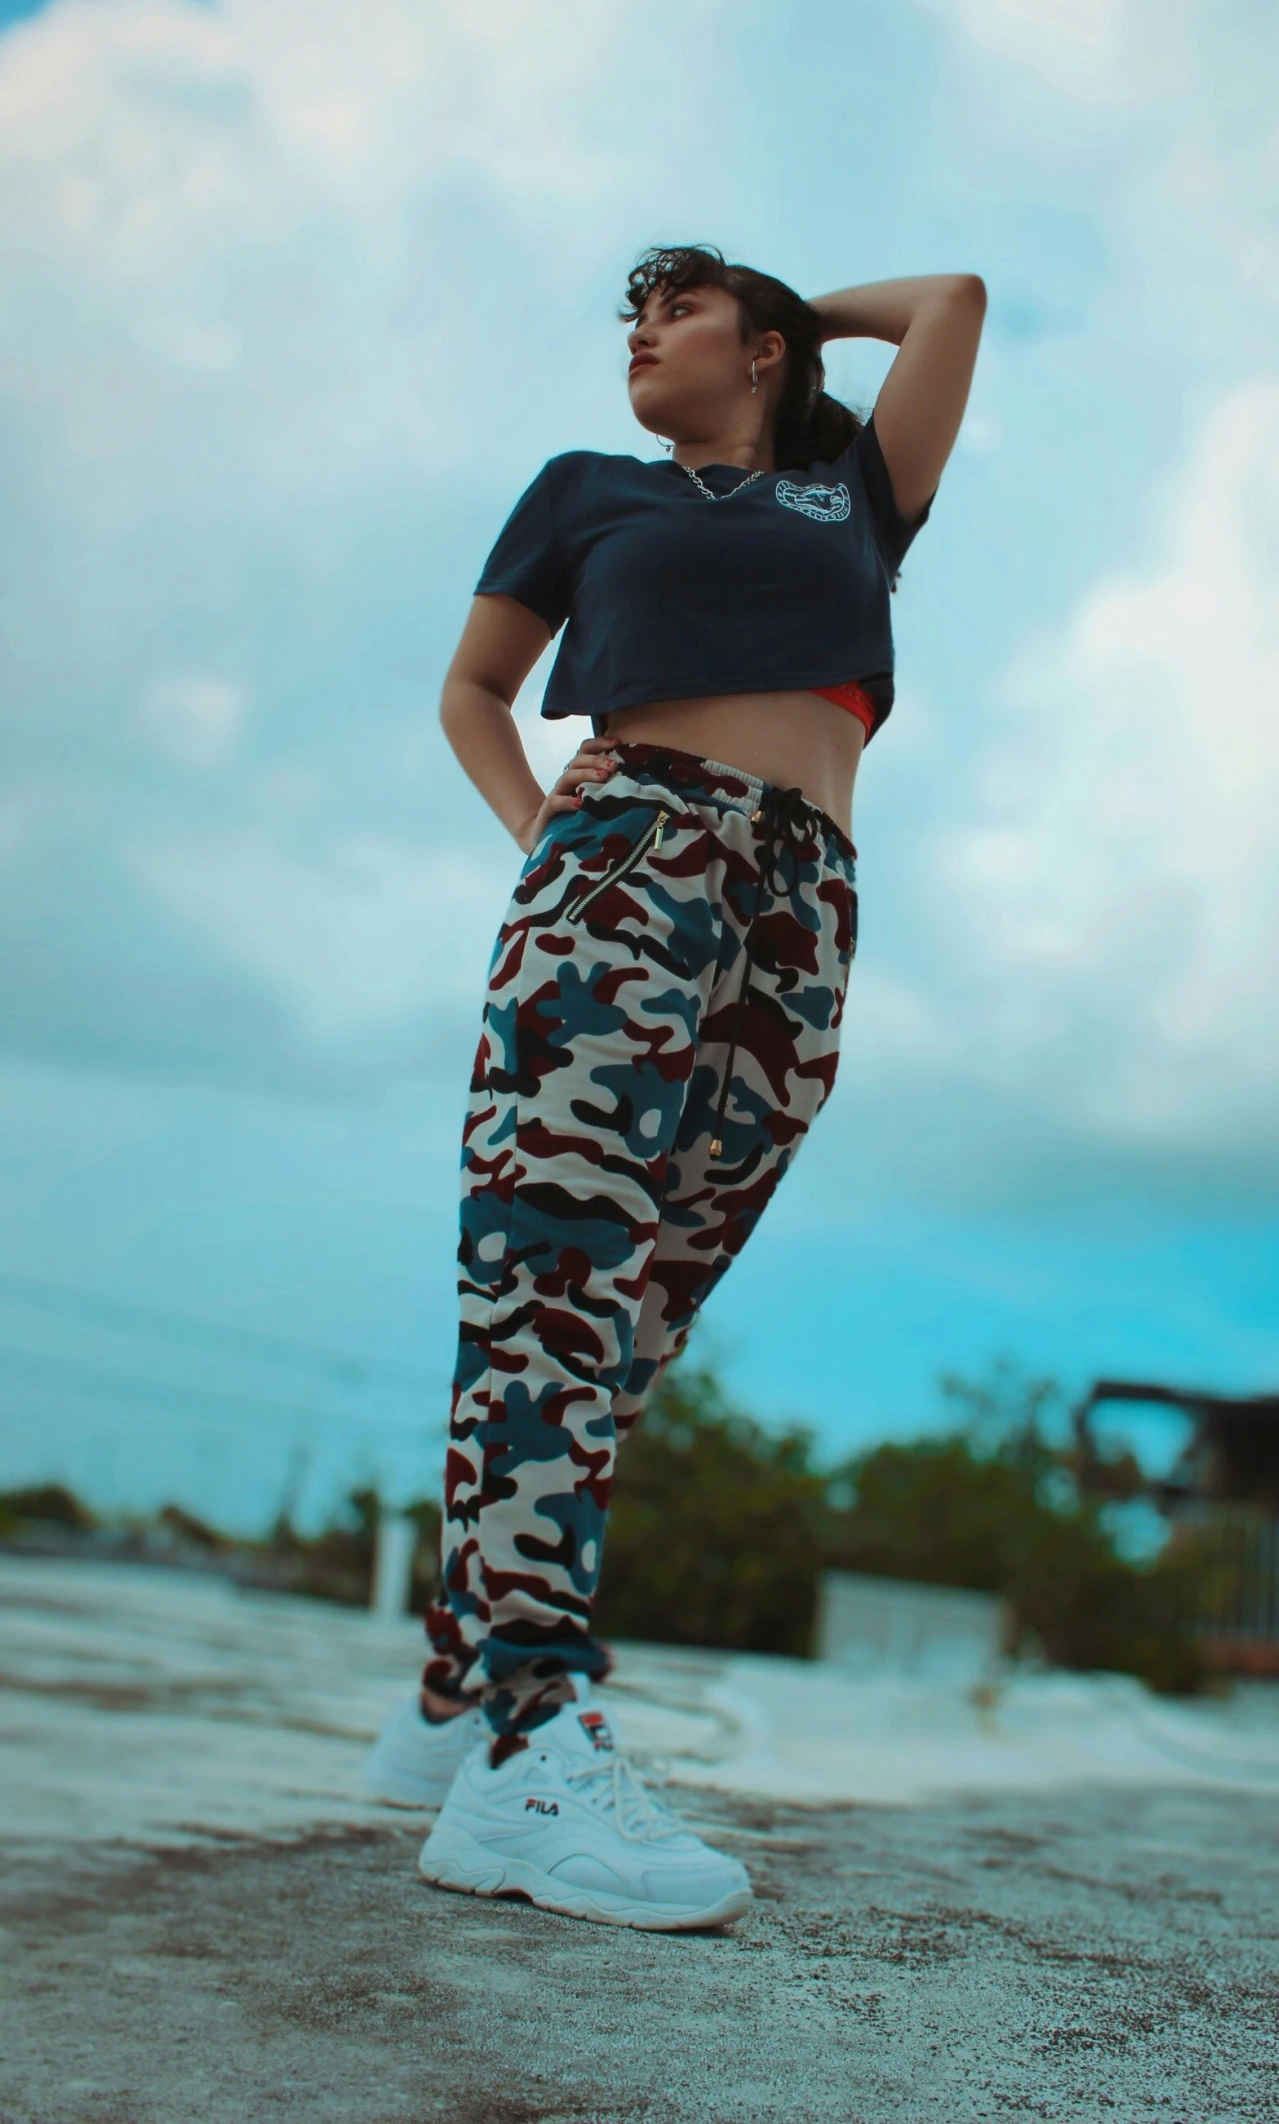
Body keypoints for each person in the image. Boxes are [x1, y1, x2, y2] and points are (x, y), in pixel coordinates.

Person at [363, 244, 985, 1930]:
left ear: (763, 345)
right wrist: (547, 842)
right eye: (632, 314)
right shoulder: (585, 492)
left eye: (678, 307)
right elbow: (473, 692)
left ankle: (452, 1679)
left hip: (803, 905)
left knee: (635, 1314)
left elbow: (955, 303)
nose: (638, 332)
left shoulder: (854, 495)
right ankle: (523, 1740)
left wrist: (786, 313)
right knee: (552, 1280)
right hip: (627, 863)